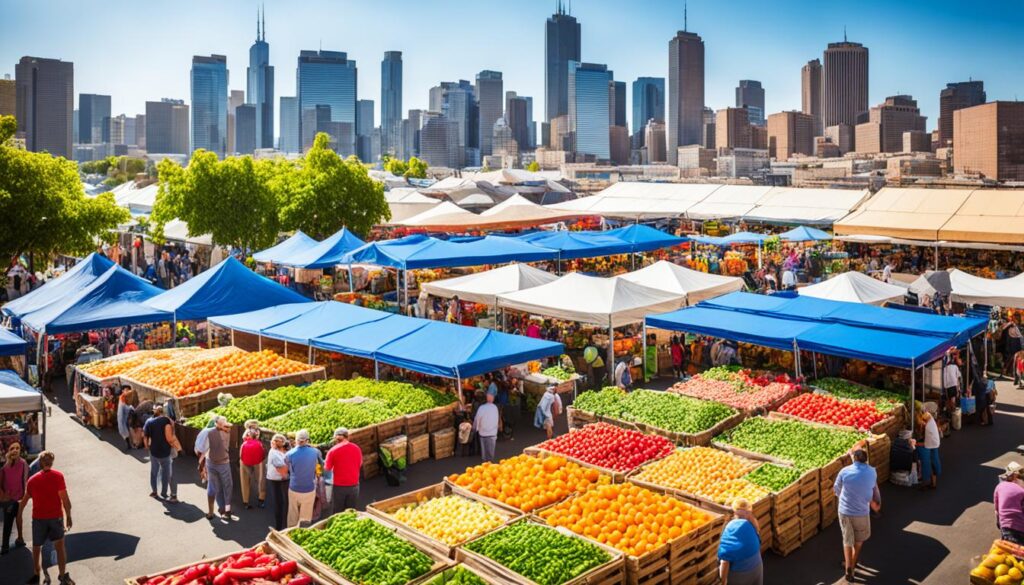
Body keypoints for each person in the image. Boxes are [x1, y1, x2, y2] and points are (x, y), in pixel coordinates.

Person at [17, 451, 74, 585]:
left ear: (40, 463)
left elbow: (24, 501)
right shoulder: (58, 476)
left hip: (38, 519)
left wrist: (19, 513)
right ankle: (62, 576)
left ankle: (36, 574)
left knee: (37, 548)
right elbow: (65, 499)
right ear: (52, 462)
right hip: (56, 517)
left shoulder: (32, 480)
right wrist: (69, 516)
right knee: (60, 547)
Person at [834, 449, 881, 583]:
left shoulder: (844, 471)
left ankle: (848, 566)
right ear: (865, 460)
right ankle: (852, 564)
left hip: (845, 510)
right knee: (859, 540)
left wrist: (844, 496)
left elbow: (836, 489)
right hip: (861, 512)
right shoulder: (872, 471)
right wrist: (875, 504)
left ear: (854, 459)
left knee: (847, 539)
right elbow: (874, 489)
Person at [717, 498, 762, 585]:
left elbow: (725, 560)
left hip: (740, 574)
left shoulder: (730, 528)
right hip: (757, 567)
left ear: (734, 512)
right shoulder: (752, 525)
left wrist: (723, 581)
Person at [285, 429, 322, 527]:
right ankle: (303, 535)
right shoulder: (315, 452)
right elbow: (320, 466)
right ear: (307, 440)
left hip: (294, 488)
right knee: (305, 518)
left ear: (296, 440)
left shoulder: (289, 454)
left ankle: (289, 534)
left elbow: (287, 469)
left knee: (293, 515)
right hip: (309, 489)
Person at [143, 404, 178, 503]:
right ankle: (170, 494)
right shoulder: (167, 420)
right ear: (163, 411)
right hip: (166, 452)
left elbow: (145, 437)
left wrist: (147, 447)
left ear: (154, 411)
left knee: (154, 472)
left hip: (154, 452)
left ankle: (154, 491)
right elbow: (172, 433)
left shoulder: (149, 422)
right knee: (169, 474)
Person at [324, 428, 362, 514]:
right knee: (351, 512)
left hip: (339, 487)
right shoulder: (356, 448)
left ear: (335, 439)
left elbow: (327, 469)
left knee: (338, 513)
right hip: (354, 485)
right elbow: (359, 464)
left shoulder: (332, 451)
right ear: (347, 436)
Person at [204, 416, 233, 519]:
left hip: (211, 462)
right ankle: (227, 511)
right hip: (223, 463)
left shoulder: (209, 432)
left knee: (213, 486)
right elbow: (228, 427)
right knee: (227, 486)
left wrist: (202, 462)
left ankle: (214, 511)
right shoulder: (226, 432)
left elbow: (202, 447)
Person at [0, 443, 28, 554]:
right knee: (16, 518)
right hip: (14, 498)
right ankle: (9, 545)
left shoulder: (5, 465)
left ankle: (15, 541)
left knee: (12, 519)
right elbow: (25, 480)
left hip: (11, 498)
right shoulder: (22, 463)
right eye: (15, 448)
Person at [995, 462, 1024, 545]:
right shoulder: (1021, 490)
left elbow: (997, 510)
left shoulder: (999, 487)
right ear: (1015, 477)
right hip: (1020, 527)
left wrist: (1000, 525)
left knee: (1009, 551)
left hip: (1006, 526)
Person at [266, 434, 290, 531]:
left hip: (278, 480)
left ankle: (281, 525)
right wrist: (287, 474)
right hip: (277, 481)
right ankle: (279, 526)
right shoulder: (274, 453)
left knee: (280, 503)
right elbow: (282, 470)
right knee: (279, 503)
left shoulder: (278, 452)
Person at [239, 428, 265, 510]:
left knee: (244, 480)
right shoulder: (259, 441)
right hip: (258, 461)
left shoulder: (245, 436)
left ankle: (245, 501)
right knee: (260, 479)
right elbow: (263, 454)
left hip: (244, 460)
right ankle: (261, 499)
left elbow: (240, 455)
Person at [917, 408, 941, 491]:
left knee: (925, 462)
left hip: (929, 444)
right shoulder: (931, 420)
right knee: (934, 461)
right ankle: (933, 483)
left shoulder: (928, 427)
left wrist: (915, 443)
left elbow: (925, 444)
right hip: (935, 443)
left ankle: (924, 483)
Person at [474, 393, 500, 462]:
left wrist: (476, 429)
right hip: (492, 433)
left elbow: (477, 419)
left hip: (483, 433)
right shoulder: (495, 407)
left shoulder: (481, 408)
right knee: (490, 453)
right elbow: (496, 419)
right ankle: (490, 465)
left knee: (484, 453)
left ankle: (485, 464)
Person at [116, 387, 135, 451]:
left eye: (127, 390)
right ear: (122, 391)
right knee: (124, 430)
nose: (127, 391)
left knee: (126, 430)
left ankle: (130, 444)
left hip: (125, 417)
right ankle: (129, 444)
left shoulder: (125, 397)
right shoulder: (122, 397)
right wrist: (130, 408)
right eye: (125, 390)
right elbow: (124, 407)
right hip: (123, 416)